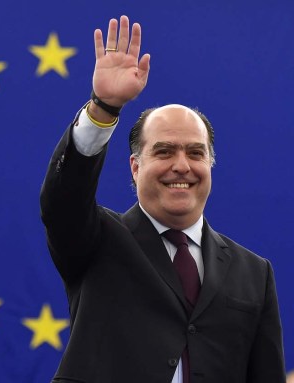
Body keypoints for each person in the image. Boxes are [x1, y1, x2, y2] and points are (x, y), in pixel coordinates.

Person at [40, 15, 285, 383]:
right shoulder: (97, 241)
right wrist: (103, 108)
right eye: (165, 151)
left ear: (211, 165)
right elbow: (62, 199)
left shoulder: (254, 273)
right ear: (136, 167)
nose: (182, 166)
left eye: (196, 153)